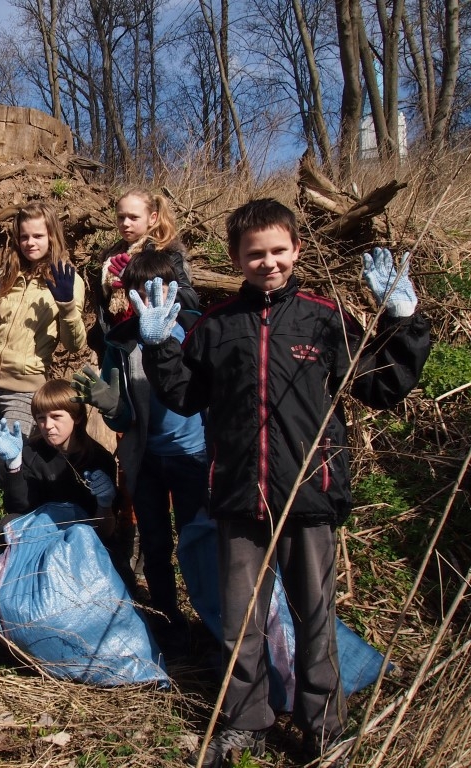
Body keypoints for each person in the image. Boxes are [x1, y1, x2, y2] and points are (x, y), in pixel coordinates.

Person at [130, 199, 431, 767]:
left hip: (309, 496)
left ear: (295, 249)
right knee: (241, 623)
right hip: (241, 498)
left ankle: (324, 728)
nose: (269, 263)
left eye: (278, 251)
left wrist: (402, 323)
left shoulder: (325, 318)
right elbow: (184, 395)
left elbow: (379, 388)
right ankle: (247, 718)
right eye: (255, 254)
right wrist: (160, 345)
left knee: (315, 619)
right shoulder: (217, 326)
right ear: (236, 258)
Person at [73, 247, 209, 654]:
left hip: (193, 456)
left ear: (174, 288)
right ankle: (169, 620)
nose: (148, 299)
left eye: (158, 289)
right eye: (138, 291)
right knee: (154, 542)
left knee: (196, 540)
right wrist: (110, 405)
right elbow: (123, 418)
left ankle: (212, 620)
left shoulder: (196, 330)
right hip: (146, 458)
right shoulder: (122, 344)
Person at [0, 201, 86, 436]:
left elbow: (74, 344)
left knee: (9, 460)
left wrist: (67, 305)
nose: (30, 243)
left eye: (38, 236)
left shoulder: (67, 281)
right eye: (24, 236)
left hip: (24, 390)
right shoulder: (12, 275)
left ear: (52, 236)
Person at [0, 379, 118, 536]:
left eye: (56, 416)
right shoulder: (31, 453)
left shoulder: (100, 459)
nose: (48, 425)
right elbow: (18, 510)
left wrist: (104, 504)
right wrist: (14, 465)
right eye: (41, 418)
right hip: (38, 537)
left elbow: (105, 531)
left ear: (77, 417)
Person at [95, 188, 199, 333]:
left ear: (152, 218)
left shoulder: (165, 254)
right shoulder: (111, 257)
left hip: (155, 335)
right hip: (119, 338)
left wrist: (139, 279)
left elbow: (190, 300)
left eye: (133, 217)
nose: (125, 223)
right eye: (121, 217)